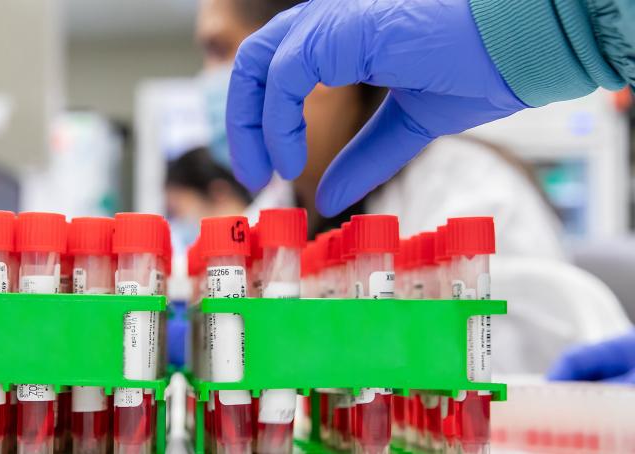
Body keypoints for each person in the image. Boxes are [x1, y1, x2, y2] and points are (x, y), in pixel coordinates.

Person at [195, 0, 633, 373]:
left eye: (218, 47)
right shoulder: (273, 208)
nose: (208, 78)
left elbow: (518, 368)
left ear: (318, 63)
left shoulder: (473, 190)